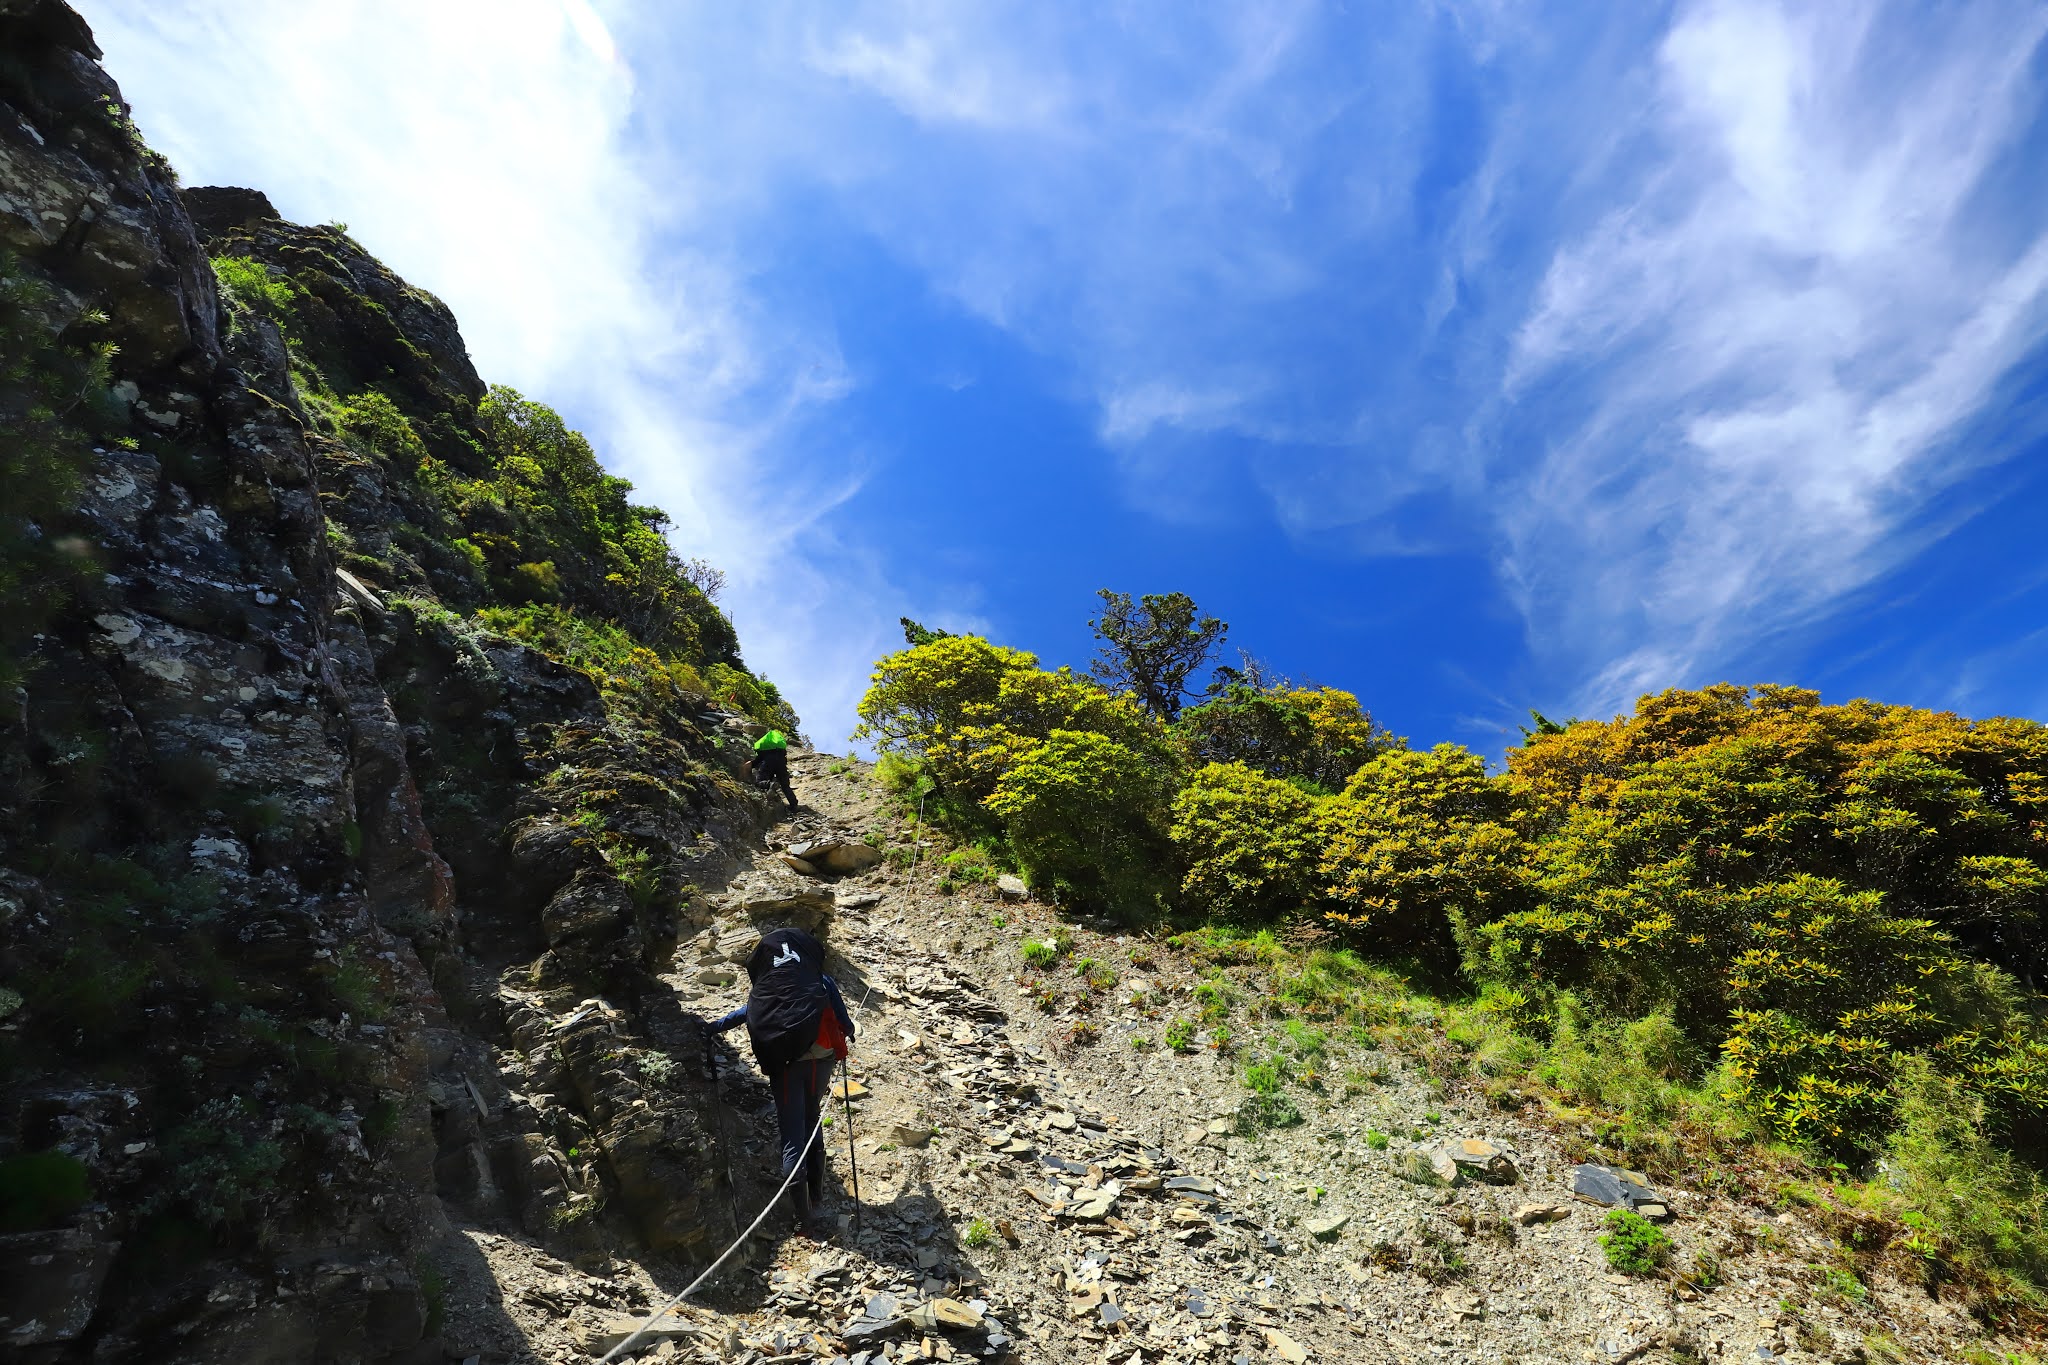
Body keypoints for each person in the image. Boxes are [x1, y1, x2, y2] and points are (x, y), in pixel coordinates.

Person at [705, 926, 854, 1228]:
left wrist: (712, 1027)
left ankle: (804, 1220)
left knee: (791, 1136)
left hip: (785, 1065)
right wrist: (846, 1032)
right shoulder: (818, 979)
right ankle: (817, 1195)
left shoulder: (769, 985)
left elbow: (747, 1012)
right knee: (812, 1117)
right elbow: (845, 1024)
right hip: (820, 1061)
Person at [752, 728, 798, 810]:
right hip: (781, 763)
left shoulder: (764, 748)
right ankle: (794, 805)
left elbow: (758, 760)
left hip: (768, 763)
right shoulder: (780, 749)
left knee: (759, 780)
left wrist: (751, 764)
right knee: (785, 785)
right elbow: (784, 758)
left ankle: (769, 784)